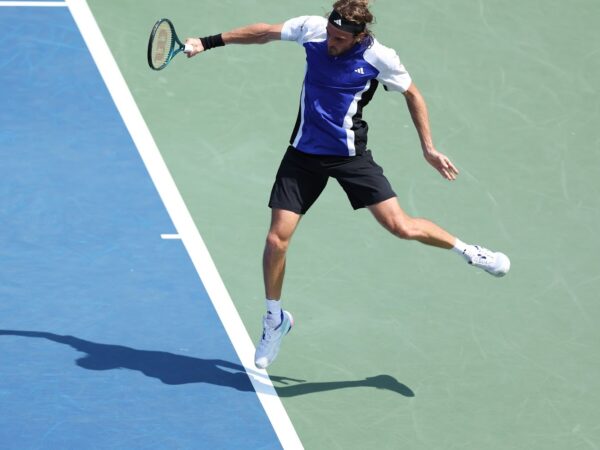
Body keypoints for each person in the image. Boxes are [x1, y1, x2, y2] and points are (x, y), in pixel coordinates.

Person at [185, 0, 510, 369]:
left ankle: (468, 251)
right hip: (303, 155)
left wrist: (428, 148)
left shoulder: (380, 58)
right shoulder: (313, 30)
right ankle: (274, 319)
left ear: (359, 37)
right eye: (330, 33)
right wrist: (207, 42)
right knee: (277, 240)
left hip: (350, 156)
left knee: (400, 226)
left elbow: (413, 94)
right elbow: (263, 33)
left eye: (339, 38)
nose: (330, 42)